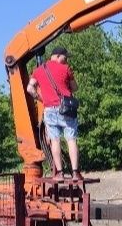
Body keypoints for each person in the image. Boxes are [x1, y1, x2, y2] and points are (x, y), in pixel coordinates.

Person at [27, 46, 82, 180]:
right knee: (71, 139)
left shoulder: (38, 70)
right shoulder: (66, 69)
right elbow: (75, 87)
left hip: (49, 109)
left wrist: (40, 98)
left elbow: (30, 88)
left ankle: (60, 174)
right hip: (66, 108)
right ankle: (75, 173)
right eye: (65, 57)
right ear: (57, 56)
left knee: (55, 140)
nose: (66, 59)